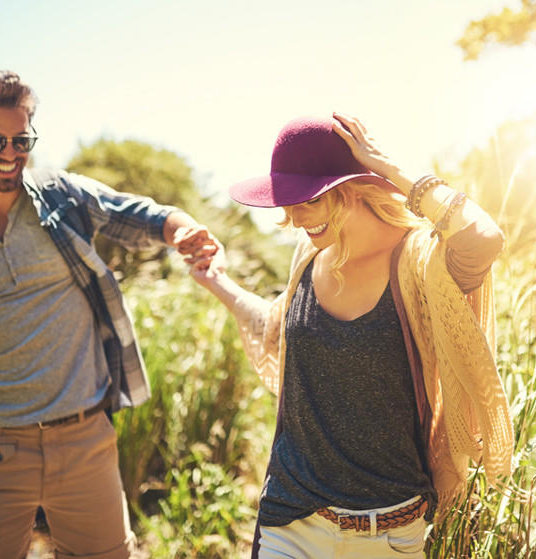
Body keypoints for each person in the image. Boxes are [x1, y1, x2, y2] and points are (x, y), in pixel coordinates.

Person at [0, 70, 217, 559]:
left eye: (22, 139)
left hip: (84, 442)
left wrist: (185, 231)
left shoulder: (64, 197)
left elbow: (141, 215)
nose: (10, 153)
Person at [183, 113, 514, 558]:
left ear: (352, 188)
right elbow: (278, 332)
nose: (296, 219)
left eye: (308, 202)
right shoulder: (308, 255)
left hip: (390, 533)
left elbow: (483, 238)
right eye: (289, 204)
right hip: (291, 519)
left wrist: (389, 167)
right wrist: (217, 281)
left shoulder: (418, 263)